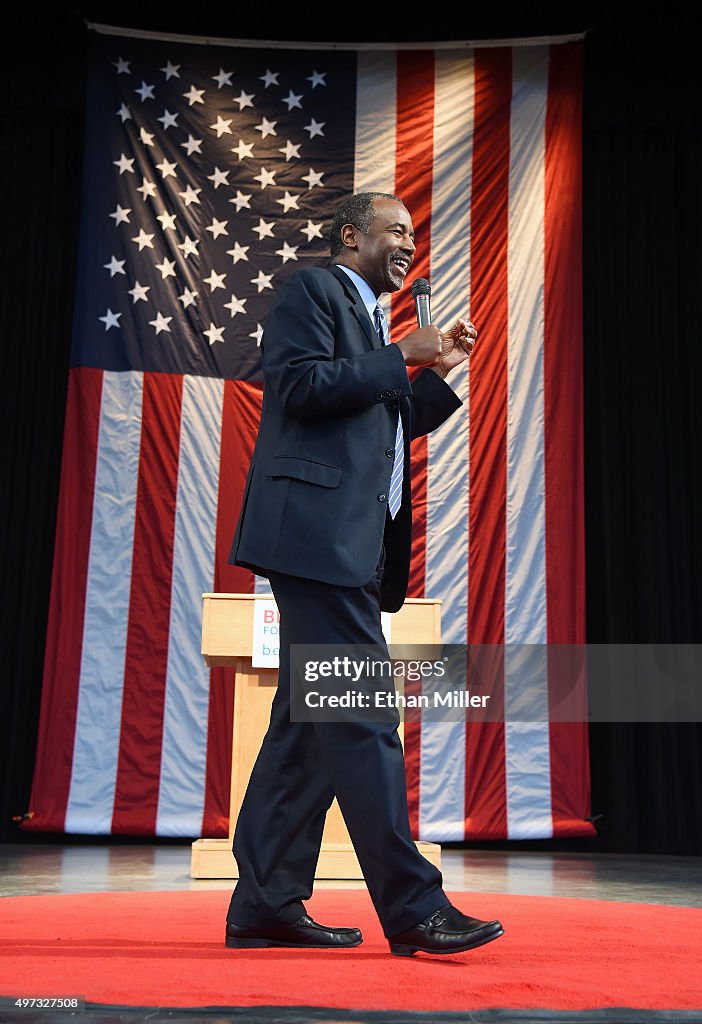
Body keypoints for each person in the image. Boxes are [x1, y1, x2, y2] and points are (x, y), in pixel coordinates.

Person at [224, 191, 504, 956]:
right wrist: (400, 356)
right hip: (312, 539)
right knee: (361, 711)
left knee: (309, 732)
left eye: (415, 233)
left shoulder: (378, 325)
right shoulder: (311, 289)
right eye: (397, 230)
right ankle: (415, 909)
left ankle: (263, 903)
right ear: (352, 236)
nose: (411, 243)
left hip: (349, 549)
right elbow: (301, 388)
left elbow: (388, 416)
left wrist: (435, 371)